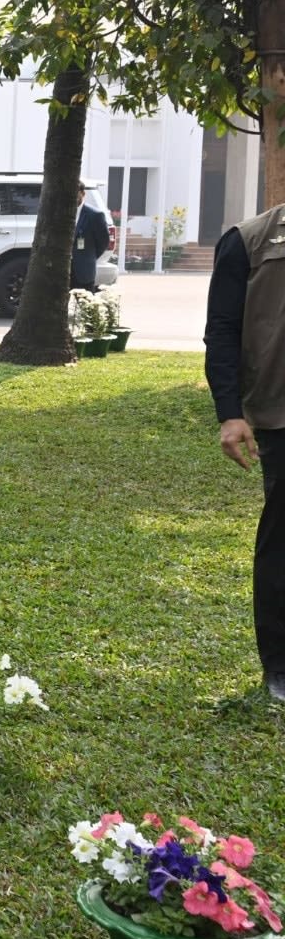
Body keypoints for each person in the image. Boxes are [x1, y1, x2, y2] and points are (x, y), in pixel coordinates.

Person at [203, 201, 285, 703]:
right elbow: (222, 331)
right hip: (279, 413)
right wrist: (230, 412)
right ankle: (278, 664)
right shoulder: (250, 240)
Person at [72, 181, 111, 291]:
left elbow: (103, 242)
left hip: (84, 271)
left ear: (83, 194)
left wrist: (88, 256)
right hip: (63, 272)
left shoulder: (95, 215)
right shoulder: (60, 213)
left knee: (84, 305)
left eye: (75, 193)